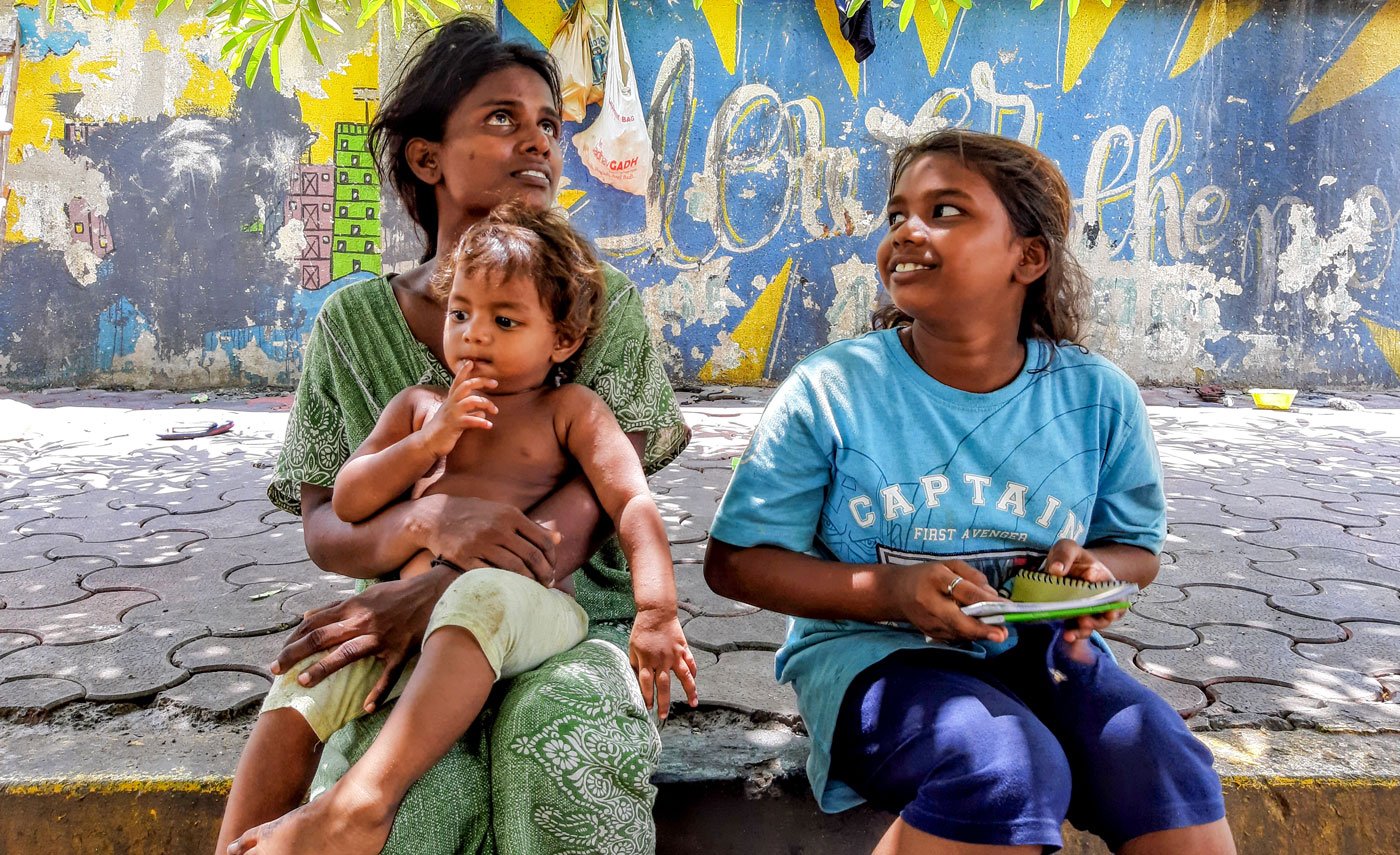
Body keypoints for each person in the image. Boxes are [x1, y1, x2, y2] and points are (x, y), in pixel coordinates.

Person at [221, 15, 690, 855]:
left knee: (557, 744)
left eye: (550, 122)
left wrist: (438, 588)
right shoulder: (354, 325)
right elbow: (329, 524)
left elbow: (599, 503)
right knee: (402, 781)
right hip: (400, 618)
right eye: (502, 118)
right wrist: (424, 525)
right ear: (426, 157)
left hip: (570, 613)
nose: (539, 141)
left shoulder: (594, 302)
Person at [703, 129, 1236, 855]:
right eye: (898, 215)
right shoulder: (832, 390)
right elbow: (734, 561)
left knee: (1162, 757)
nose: (908, 232)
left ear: (1029, 256)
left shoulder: (1098, 397)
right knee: (1004, 768)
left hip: (1043, 651)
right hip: (873, 657)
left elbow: (1134, 552)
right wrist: (887, 592)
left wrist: (1095, 574)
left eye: (946, 210)